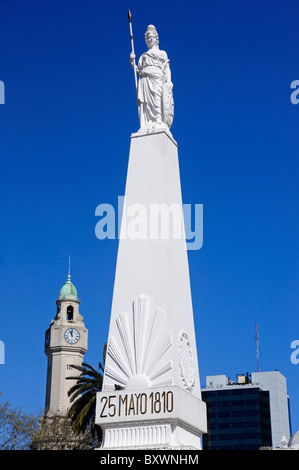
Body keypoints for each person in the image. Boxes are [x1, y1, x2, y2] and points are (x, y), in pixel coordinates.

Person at [130, 25, 174, 131]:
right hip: (145, 79)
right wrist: (132, 62)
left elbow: (166, 68)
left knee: (157, 98)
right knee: (147, 103)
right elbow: (138, 70)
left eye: (152, 36)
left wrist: (169, 81)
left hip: (157, 78)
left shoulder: (162, 53)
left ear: (156, 38)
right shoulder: (143, 56)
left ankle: (158, 120)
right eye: (148, 36)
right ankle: (147, 123)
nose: (150, 38)